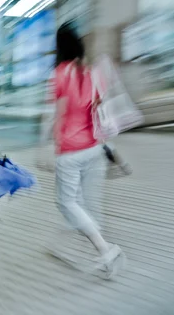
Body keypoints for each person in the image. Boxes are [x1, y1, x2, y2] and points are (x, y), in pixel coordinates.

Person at [50, 22, 125, 278]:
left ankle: (106, 250)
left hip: (70, 151)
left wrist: (52, 147)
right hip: (93, 147)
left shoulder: (61, 73)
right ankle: (64, 247)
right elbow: (99, 109)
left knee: (67, 202)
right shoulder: (92, 72)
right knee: (81, 202)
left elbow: (59, 116)